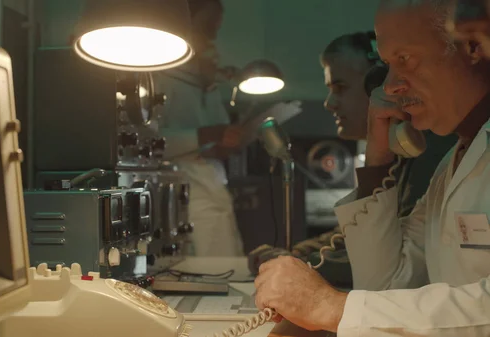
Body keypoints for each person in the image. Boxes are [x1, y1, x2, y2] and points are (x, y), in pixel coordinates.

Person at [254, 0, 490, 335]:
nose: (389, 86)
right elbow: (387, 287)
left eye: (404, 59)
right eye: (387, 66)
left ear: (474, 44)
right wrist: (377, 159)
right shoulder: (453, 163)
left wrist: (330, 306)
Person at [248, 32, 456, 289]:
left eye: (340, 88)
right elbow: (352, 235)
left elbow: (391, 259)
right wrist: (299, 253)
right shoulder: (402, 151)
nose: (329, 104)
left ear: (377, 86)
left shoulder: (429, 154)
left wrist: (303, 265)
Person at [153, 0, 245, 256]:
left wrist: (225, 142)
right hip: (182, 189)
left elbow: (219, 131)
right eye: (207, 27)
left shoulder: (206, 79)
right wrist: (205, 136)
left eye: (216, 28)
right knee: (209, 265)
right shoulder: (161, 76)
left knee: (228, 259)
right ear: (186, 24)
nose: (213, 36)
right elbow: (149, 144)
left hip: (213, 184)